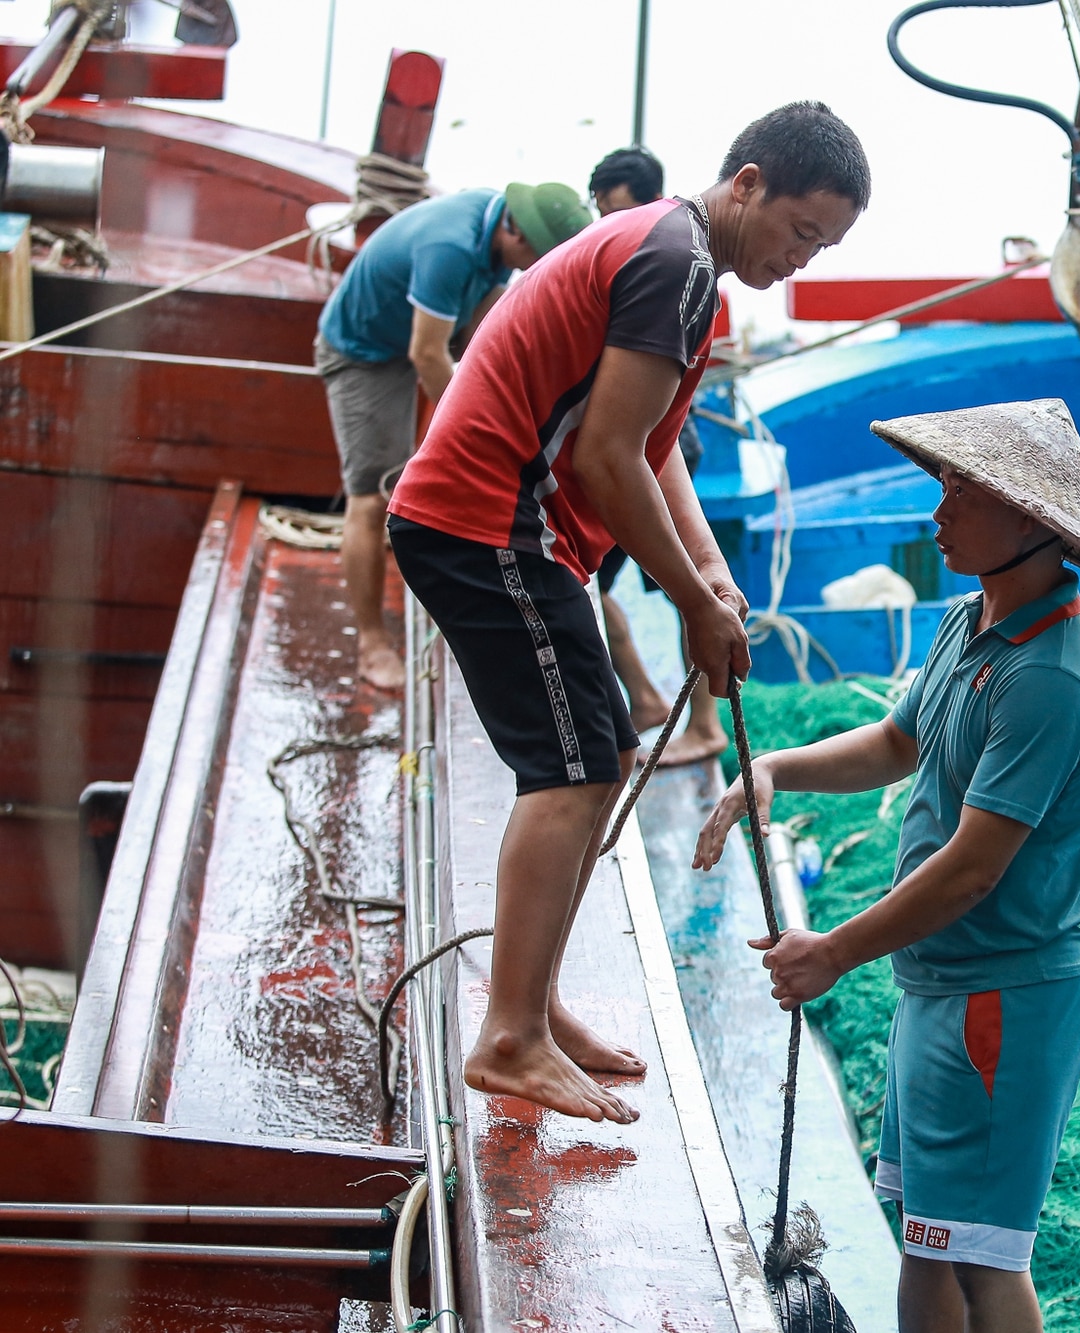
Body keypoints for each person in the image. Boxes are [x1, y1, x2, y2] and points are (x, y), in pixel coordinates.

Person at [386, 102, 871, 1123]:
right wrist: (695, 609)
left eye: (819, 247)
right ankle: (509, 1036)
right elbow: (605, 456)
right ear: (745, 184)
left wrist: (705, 567)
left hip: (505, 527)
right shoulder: (677, 263)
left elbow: (648, 446)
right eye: (797, 232)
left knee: (593, 752)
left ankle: (534, 1003)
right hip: (485, 521)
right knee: (570, 769)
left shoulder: (686, 262)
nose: (799, 259)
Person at [694, 399, 1080, 1331]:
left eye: (962, 491)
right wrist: (774, 767)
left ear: (1031, 520)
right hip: (941, 988)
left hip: (1001, 1002)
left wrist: (834, 950)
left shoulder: (1047, 675)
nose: (939, 510)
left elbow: (973, 868)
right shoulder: (969, 621)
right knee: (928, 1240)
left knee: (982, 1260)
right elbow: (898, 742)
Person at [317, 181, 594, 692]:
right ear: (515, 231)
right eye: (529, 260)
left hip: (414, 336)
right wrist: (482, 431)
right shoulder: (452, 247)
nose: (524, 270)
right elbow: (428, 353)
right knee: (370, 498)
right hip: (365, 352)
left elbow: (485, 335)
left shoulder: (498, 234)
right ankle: (371, 644)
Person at [586, 145, 730, 763]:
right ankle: (647, 699)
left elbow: (627, 438)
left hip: (663, 447)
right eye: (599, 211)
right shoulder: (634, 256)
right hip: (639, 444)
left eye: (616, 209)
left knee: (685, 586)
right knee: (601, 583)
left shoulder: (673, 264)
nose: (605, 223)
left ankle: (704, 723)